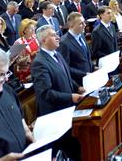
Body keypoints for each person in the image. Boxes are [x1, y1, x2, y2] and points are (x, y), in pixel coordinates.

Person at [31, 25, 83, 160]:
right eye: (53, 35)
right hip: (55, 114)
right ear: (43, 40)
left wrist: (77, 87)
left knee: (73, 148)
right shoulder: (39, 63)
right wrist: (71, 97)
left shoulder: (57, 54)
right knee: (63, 150)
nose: (58, 37)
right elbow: (46, 93)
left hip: (67, 109)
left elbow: (66, 76)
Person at [59, 12, 92, 83]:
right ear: (71, 25)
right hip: (79, 81)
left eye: (84, 22)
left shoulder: (82, 35)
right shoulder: (64, 43)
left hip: (90, 77)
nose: (85, 25)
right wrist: (84, 74)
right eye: (81, 23)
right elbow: (66, 67)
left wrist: (93, 67)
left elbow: (86, 58)